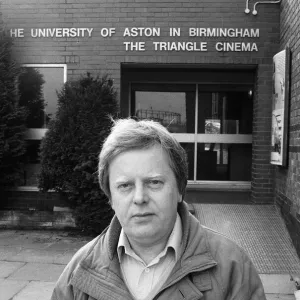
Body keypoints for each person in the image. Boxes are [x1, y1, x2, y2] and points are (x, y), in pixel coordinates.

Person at [51, 118, 266, 300]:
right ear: (111, 198)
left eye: (154, 182)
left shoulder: (232, 268)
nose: (139, 198)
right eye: (125, 186)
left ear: (180, 189)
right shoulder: (78, 271)